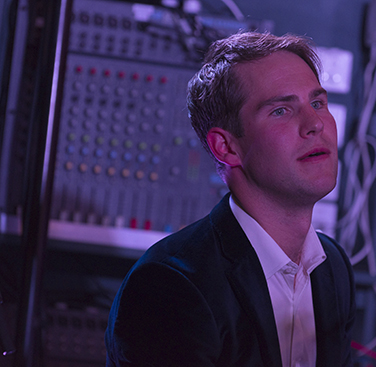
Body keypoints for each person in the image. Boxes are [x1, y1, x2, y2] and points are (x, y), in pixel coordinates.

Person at [104, 31, 356, 367]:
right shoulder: (170, 286)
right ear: (226, 146)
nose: (315, 124)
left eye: (317, 103)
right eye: (281, 110)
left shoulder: (333, 264)